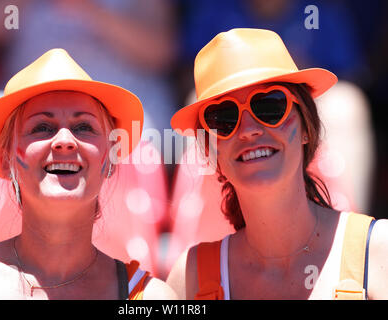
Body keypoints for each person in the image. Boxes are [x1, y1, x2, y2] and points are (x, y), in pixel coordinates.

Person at [166, 28, 388, 300]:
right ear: (214, 155)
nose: (248, 129)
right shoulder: (190, 279)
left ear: (308, 127)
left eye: (269, 106)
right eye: (223, 117)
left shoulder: (379, 253)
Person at [0, 48, 176, 300]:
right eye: (42, 127)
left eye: (84, 127)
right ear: (7, 160)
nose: (65, 141)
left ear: (111, 160)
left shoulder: (153, 298)